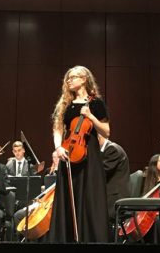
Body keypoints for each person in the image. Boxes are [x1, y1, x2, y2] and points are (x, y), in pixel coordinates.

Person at [48, 65, 110, 243]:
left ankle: (91, 240)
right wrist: (58, 147)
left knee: (90, 198)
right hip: (68, 154)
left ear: (84, 79)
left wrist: (91, 116)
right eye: (68, 78)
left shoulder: (96, 103)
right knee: (68, 198)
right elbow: (58, 129)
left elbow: (106, 131)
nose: (69, 80)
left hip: (90, 156)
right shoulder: (65, 105)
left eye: (73, 77)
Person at [98, 134, 130, 227]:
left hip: (114, 199)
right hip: (110, 196)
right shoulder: (107, 150)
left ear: (98, 137)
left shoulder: (112, 149)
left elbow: (100, 175)